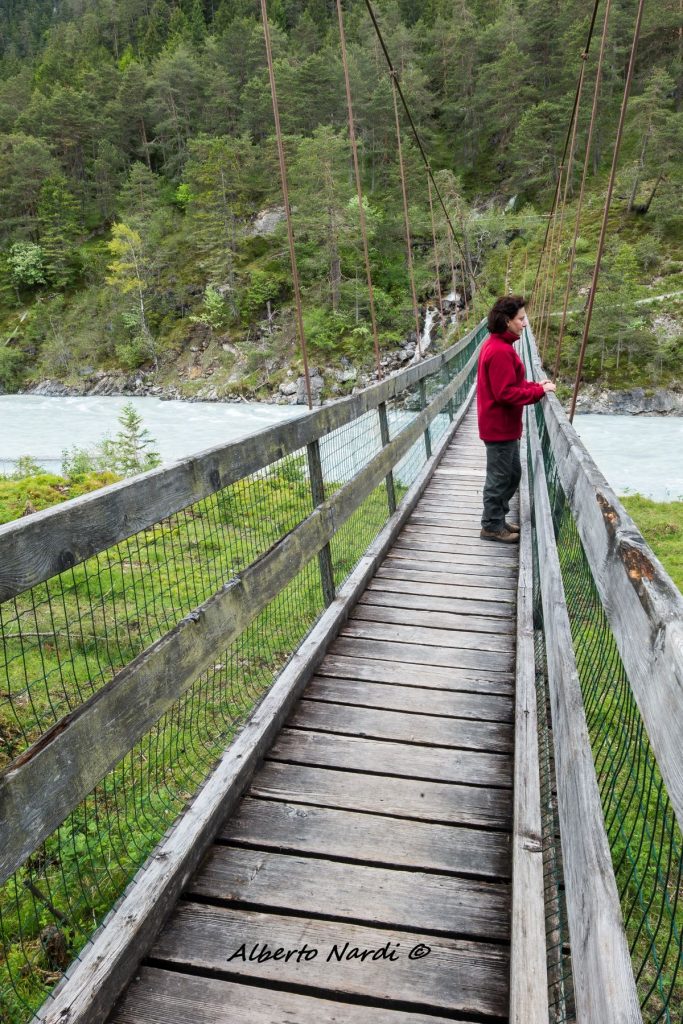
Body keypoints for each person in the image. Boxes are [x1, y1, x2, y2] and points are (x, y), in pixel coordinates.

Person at [476, 295, 555, 543]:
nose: (525, 324)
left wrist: (534, 385)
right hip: (499, 427)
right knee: (500, 478)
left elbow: (511, 383)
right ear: (507, 321)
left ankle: (497, 519)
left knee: (511, 475)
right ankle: (490, 526)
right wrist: (538, 392)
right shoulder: (500, 350)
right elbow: (505, 393)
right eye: (521, 319)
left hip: (504, 426)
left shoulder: (501, 345)